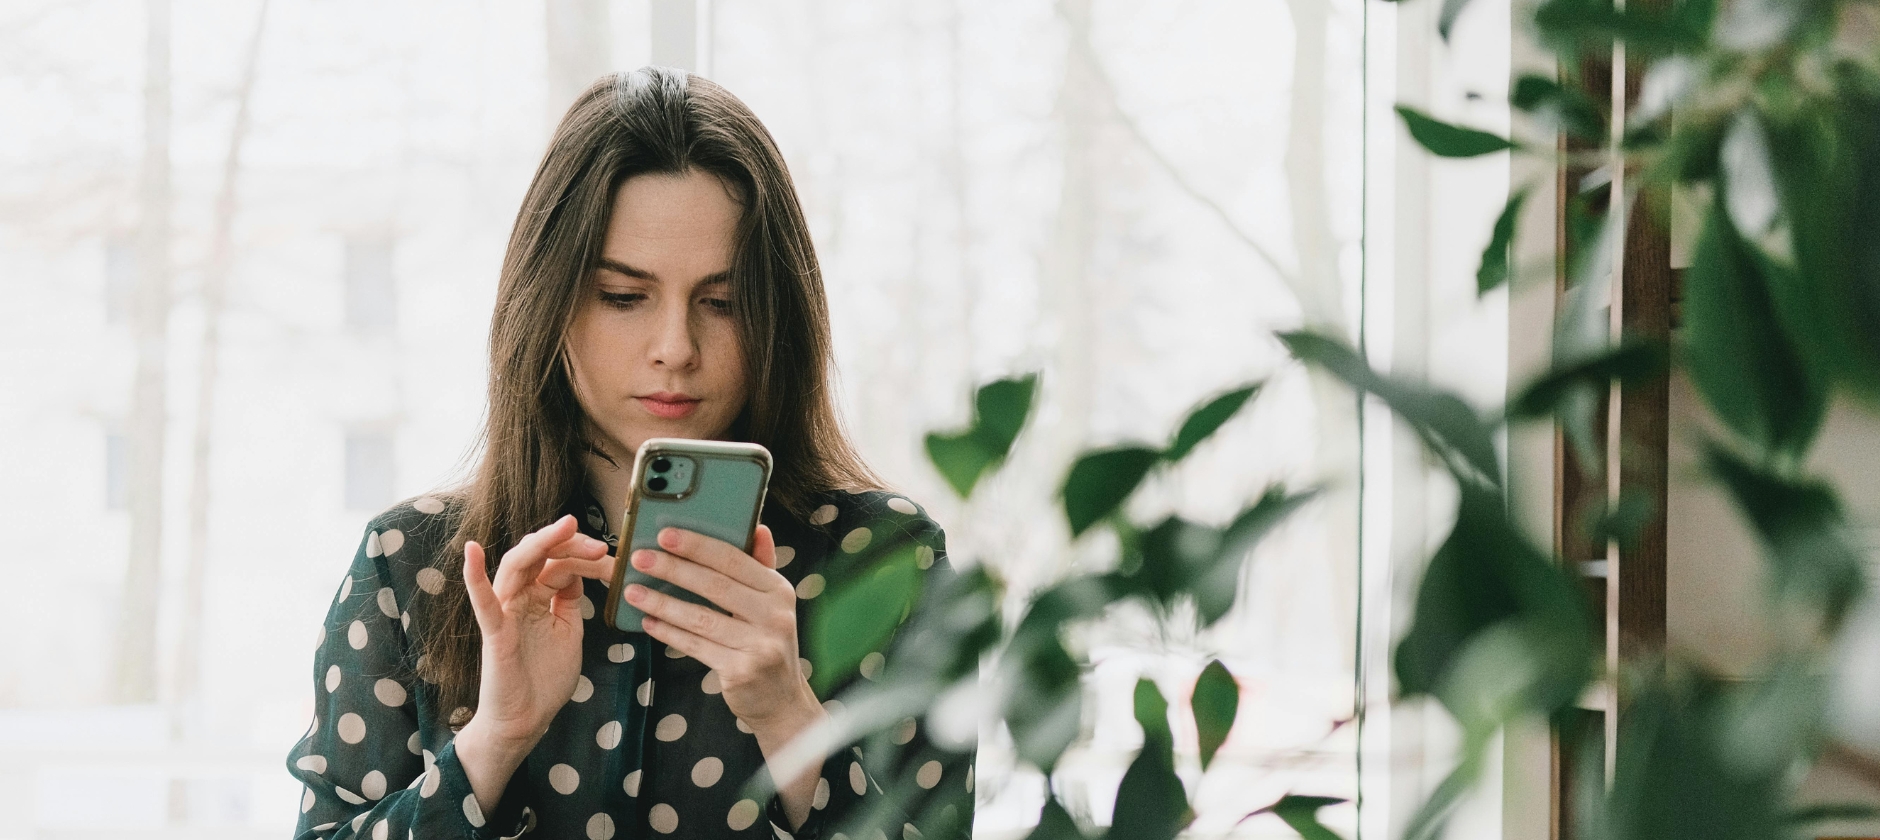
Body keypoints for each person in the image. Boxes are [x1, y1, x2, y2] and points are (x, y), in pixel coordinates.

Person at [287, 67, 973, 840]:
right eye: (623, 297)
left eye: (723, 302)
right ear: (548, 303)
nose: (675, 348)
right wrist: (494, 739)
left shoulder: (885, 559)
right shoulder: (410, 564)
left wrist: (791, 719)